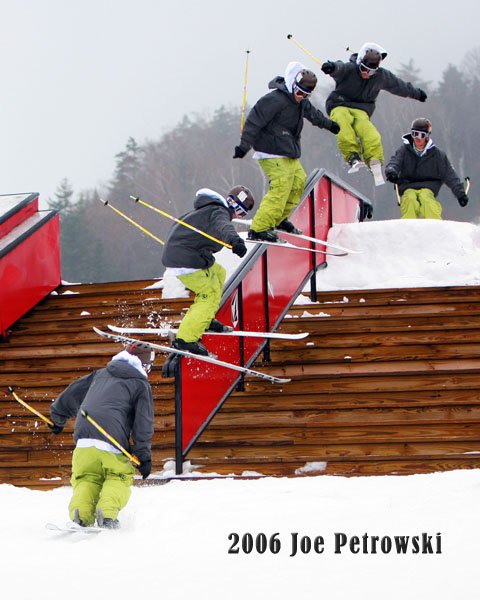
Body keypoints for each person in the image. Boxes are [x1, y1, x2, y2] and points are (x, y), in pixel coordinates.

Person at [49, 342, 155, 529]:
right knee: (118, 476)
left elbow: (71, 394)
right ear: (144, 365)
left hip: (83, 438)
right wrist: (144, 456)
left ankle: (80, 515)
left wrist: (58, 418)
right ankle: (107, 516)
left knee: (87, 477)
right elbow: (143, 423)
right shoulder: (140, 383)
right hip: (111, 439)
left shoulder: (100, 374)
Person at [233, 61, 339, 242]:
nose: (301, 97)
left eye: (305, 95)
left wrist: (331, 125)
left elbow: (314, 116)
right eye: (298, 92)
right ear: (291, 84)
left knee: (298, 183)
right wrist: (244, 145)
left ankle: (279, 219)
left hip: (288, 151)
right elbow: (254, 121)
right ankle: (259, 228)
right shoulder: (274, 99)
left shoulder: (301, 103)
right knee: (282, 186)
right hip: (270, 150)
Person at [161, 186, 254, 356]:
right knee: (208, 294)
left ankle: (206, 318)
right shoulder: (219, 212)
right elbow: (223, 226)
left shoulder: (208, 210)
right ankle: (185, 339)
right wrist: (235, 241)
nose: (237, 217)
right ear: (233, 205)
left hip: (190, 255)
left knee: (219, 272)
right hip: (185, 259)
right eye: (240, 212)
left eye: (242, 215)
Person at [321, 42, 428, 185]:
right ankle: (352, 156)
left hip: (361, 109)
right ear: (360, 63)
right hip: (339, 104)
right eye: (365, 69)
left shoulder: (381, 76)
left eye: (371, 71)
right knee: (342, 122)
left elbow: (399, 86)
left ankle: (374, 162)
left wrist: (417, 94)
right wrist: (331, 67)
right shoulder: (351, 69)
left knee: (370, 133)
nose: (367, 74)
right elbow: (339, 68)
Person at [385, 118, 469, 219]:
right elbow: (395, 162)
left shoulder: (437, 155)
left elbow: (449, 174)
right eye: (415, 134)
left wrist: (460, 194)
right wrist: (391, 171)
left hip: (429, 186)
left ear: (427, 136)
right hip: (408, 186)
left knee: (426, 199)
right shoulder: (404, 150)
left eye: (421, 135)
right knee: (410, 199)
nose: (417, 138)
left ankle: (434, 226)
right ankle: (409, 228)